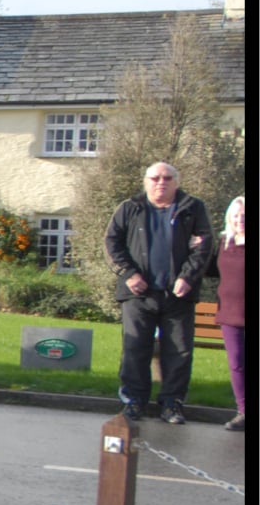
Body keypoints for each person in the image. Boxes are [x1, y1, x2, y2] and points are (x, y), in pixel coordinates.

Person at [104, 160, 215, 424]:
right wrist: (129, 274)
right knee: (135, 348)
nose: (161, 183)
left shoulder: (193, 208)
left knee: (179, 351)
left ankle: (172, 404)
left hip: (178, 295)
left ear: (176, 182)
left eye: (167, 178)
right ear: (145, 181)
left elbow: (204, 246)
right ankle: (133, 402)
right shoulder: (130, 208)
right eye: (155, 178)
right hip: (139, 294)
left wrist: (188, 277)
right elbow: (111, 243)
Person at [207, 197, 245, 431]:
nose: (241, 220)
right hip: (230, 313)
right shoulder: (224, 244)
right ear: (229, 219)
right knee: (237, 364)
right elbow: (210, 270)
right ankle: (244, 411)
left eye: (245, 217)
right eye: (237, 216)